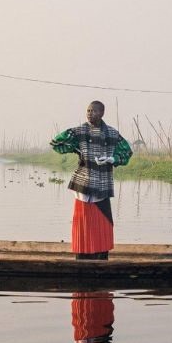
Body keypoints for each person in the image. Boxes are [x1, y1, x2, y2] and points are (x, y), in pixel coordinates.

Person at [50, 101, 132, 259]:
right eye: (87, 110)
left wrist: (111, 158)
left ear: (101, 113)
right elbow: (57, 143)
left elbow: (126, 153)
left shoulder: (113, 134)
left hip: (103, 184)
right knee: (83, 222)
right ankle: (82, 256)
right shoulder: (79, 131)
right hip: (83, 184)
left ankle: (101, 256)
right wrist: (76, 147)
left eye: (93, 111)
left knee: (103, 223)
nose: (89, 113)